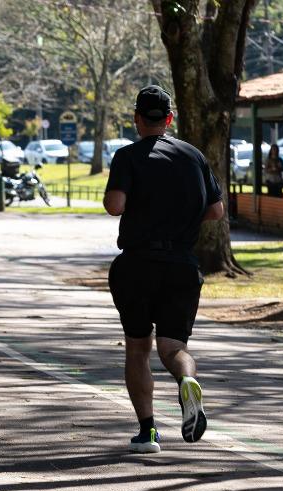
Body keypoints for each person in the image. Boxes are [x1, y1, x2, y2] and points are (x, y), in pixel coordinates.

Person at [102, 85, 224, 454]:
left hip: (138, 264)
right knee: (173, 347)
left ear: (138, 119)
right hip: (182, 266)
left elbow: (114, 205)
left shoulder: (128, 156)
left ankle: (148, 432)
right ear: (169, 119)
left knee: (139, 347)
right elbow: (216, 211)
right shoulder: (193, 156)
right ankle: (187, 380)